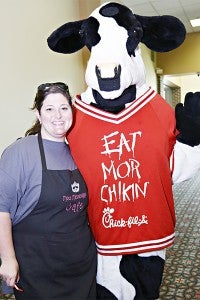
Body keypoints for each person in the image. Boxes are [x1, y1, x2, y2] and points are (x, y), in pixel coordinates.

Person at [0, 82, 97, 300]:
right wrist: (8, 259)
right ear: (38, 113)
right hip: (38, 267)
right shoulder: (19, 153)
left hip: (81, 265)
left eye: (64, 108)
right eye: (49, 109)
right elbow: (2, 210)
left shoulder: (79, 150)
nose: (58, 116)